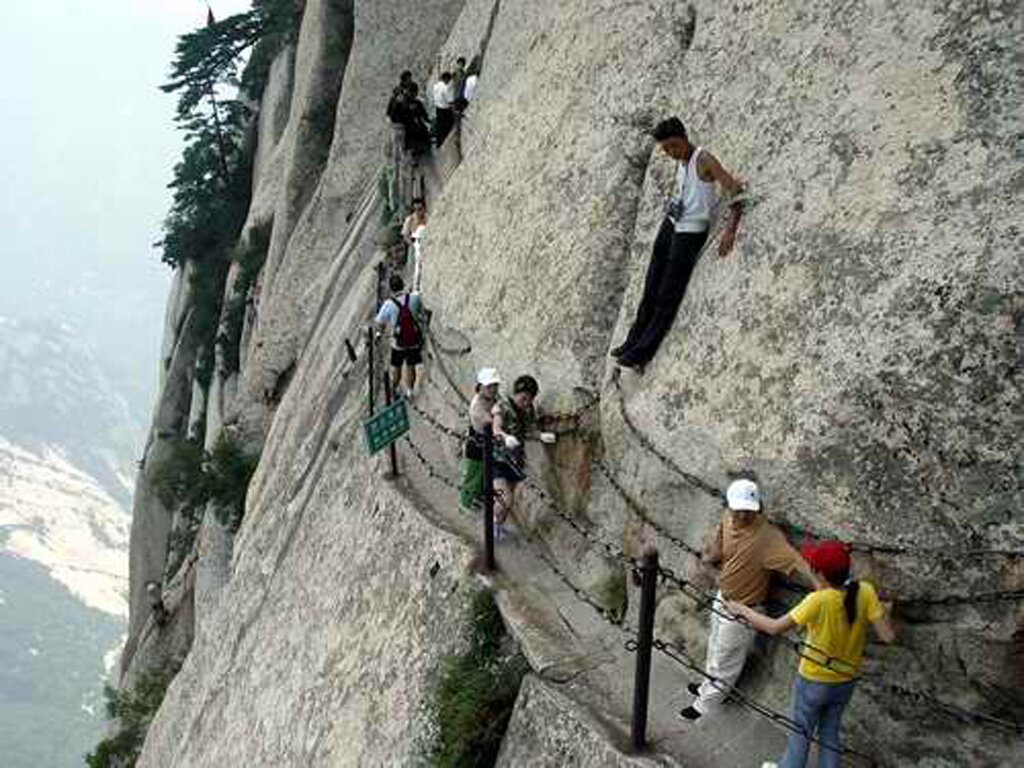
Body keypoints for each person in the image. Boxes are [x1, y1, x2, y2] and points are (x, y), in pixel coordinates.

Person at [728, 541, 895, 768]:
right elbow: (888, 636)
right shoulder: (865, 591)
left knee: (800, 734)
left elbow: (774, 627)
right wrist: (885, 612)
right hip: (846, 679)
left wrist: (742, 609)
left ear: (819, 573)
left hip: (813, 679)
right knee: (829, 734)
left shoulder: (817, 601)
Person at [611, 117, 744, 372]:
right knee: (651, 286)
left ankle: (641, 352)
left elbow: (734, 189)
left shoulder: (703, 159)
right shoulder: (682, 161)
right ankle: (631, 341)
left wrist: (730, 227)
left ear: (684, 136)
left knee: (667, 294)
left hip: (689, 233)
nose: (672, 153)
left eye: (674, 145)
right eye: (666, 150)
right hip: (671, 224)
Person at [680, 478, 818, 720]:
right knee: (714, 648)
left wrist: (822, 586)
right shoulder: (726, 516)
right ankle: (706, 688)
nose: (742, 515)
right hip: (723, 596)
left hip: (745, 608)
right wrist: (711, 554)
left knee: (726, 659)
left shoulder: (768, 537)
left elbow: (797, 562)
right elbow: (719, 543)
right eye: (738, 510)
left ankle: (705, 706)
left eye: (748, 511)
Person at [491, 375, 556, 538]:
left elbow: (529, 429)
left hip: (515, 458)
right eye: (524, 397)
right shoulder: (502, 407)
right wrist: (506, 437)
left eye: (530, 398)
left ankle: (499, 526)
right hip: (497, 457)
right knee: (506, 498)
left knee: (508, 498)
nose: (526, 402)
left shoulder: (528, 409)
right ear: (516, 393)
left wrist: (541, 436)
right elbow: (496, 428)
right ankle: (494, 525)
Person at [374, 274, 426, 398]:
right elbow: (422, 313)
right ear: (403, 284)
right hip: (414, 339)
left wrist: (379, 333)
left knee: (396, 367)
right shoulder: (415, 298)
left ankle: (394, 389)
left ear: (391, 289)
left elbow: (379, 322)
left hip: (398, 342)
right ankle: (409, 391)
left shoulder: (389, 304)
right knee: (410, 365)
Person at [460, 368, 501, 513]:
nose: (493, 389)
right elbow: (492, 421)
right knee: (474, 475)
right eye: (489, 386)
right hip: (476, 444)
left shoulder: (493, 399)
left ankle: (478, 496)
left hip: (487, 442)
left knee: (484, 473)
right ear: (480, 386)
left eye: (495, 386)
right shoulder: (476, 406)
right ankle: (465, 503)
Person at [402, 198, 428, 291]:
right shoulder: (410, 220)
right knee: (415, 271)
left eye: (420, 209)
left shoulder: (427, 217)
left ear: (424, 208)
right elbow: (405, 235)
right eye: (415, 209)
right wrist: (413, 243)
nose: (418, 212)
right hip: (415, 247)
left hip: (427, 245)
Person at [432, 72, 457, 147]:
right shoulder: (445, 87)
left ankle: (438, 143)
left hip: (438, 108)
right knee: (446, 127)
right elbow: (450, 101)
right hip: (445, 110)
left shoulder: (436, 86)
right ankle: (444, 143)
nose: (449, 82)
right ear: (446, 79)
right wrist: (454, 110)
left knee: (439, 126)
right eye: (448, 80)